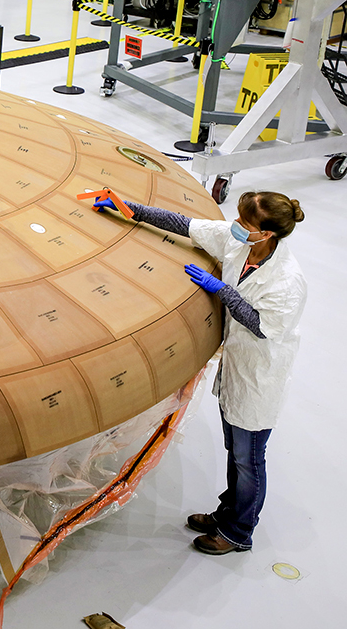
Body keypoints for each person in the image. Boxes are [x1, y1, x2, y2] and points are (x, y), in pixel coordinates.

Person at [92, 190, 307, 556]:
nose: (236, 227)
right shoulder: (240, 243)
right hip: (237, 370)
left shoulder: (286, 281)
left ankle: (238, 532)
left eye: (245, 223)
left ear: (267, 234)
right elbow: (185, 225)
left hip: (259, 378)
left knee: (249, 458)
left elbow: (261, 325)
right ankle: (226, 514)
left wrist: (222, 291)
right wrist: (130, 209)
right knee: (235, 452)